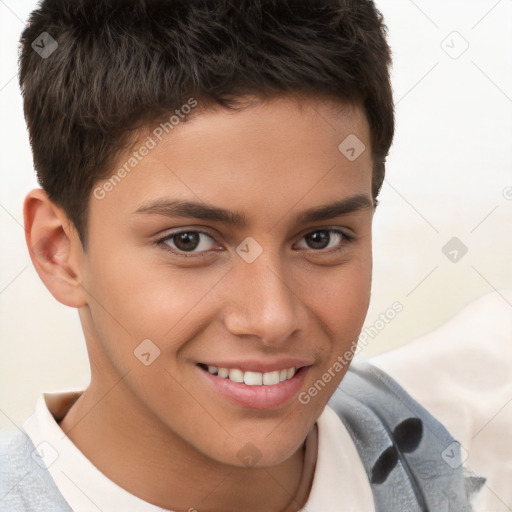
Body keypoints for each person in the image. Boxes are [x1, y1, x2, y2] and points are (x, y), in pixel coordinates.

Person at [1, 0, 506, 510]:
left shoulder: (457, 452)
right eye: (189, 241)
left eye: (321, 238)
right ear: (58, 250)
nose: (272, 318)